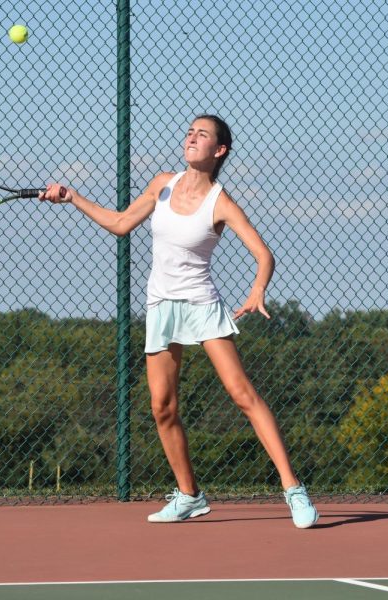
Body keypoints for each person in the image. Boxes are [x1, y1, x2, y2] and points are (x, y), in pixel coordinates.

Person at [40, 115, 317, 528]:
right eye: (190, 131)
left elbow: (264, 254)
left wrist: (257, 289)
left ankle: (293, 489)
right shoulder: (161, 183)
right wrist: (73, 197)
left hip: (202, 305)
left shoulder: (221, 202)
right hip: (161, 306)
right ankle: (189, 495)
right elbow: (120, 224)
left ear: (219, 150)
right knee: (162, 407)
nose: (191, 137)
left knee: (242, 394)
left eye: (202, 135)